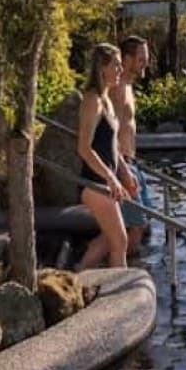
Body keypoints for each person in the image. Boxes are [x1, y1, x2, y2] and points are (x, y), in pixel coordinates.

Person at [76, 44, 130, 270]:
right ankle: (120, 298)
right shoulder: (92, 101)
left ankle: (76, 278)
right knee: (121, 242)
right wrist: (110, 177)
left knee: (110, 240)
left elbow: (112, 146)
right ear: (102, 68)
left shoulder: (106, 100)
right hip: (94, 183)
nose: (120, 69)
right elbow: (84, 148)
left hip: (105, 182)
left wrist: (124, 172)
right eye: (116, 64)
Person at [109, 35, 153, 256]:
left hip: (132, 163)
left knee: (142, 223)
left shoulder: (127, 86)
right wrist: (122, 170)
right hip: (122, 165)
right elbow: (110, 134)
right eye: (141, 58)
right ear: (126, 59)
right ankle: (125, 271)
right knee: (135, 226)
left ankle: (126, 265)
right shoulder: (116, 90)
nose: (146, 63)